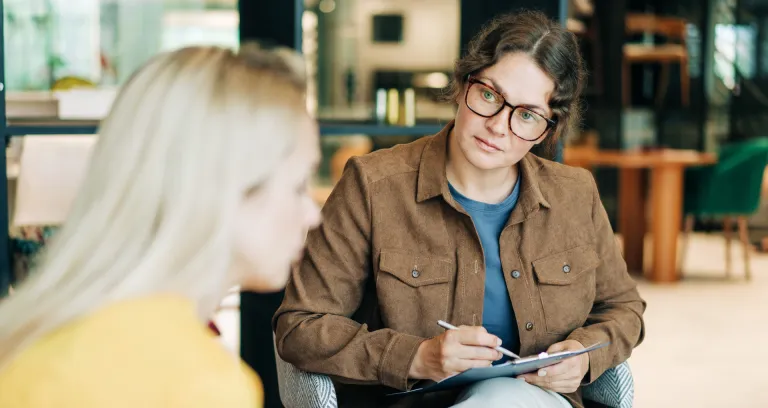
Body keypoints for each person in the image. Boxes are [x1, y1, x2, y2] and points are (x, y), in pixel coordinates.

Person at [274, 10, 646, 408]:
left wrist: (584, 355)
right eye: (489, 95)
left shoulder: (576, 194)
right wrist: (416, 357)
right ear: (462, 84)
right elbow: (300, 326)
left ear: (548, 130)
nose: (498, 126)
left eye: (526, 115)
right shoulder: (372, 186)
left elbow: (624, 310)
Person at [0, 44, 321, 407]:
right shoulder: (201, 384)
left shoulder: (31, 331)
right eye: (297, 186)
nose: (313, 214)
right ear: (221, 189)